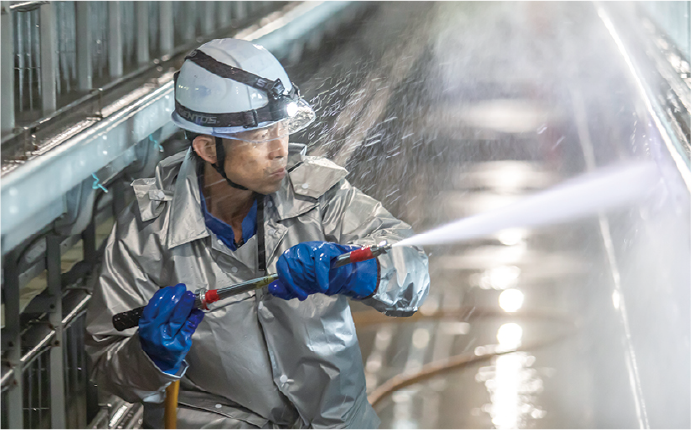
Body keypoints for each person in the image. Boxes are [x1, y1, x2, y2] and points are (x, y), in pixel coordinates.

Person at [85, 38, 430, 430]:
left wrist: (360, 273)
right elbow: (107, 367)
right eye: (259, 137)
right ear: (208, 148)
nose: (279, 149)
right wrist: (150, 355)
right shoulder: (147, 231)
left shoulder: (321, 197)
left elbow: (413, 273)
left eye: (281, 129)